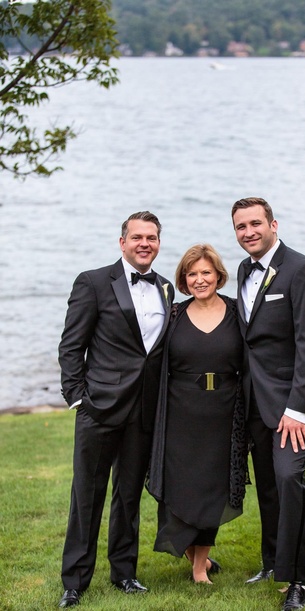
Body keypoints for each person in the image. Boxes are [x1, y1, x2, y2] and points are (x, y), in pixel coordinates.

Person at [57, 211, 174, 608]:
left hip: (144, 411)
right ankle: (75, 580)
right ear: (122, 242)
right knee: (86, 495)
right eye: (138, 237)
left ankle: (124, 572)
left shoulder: (166, 288)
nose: (145, 243)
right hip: (99, 409)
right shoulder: (92, 282)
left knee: (128, 497)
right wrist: (77, 396)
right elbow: (72, 345)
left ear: (159, 243)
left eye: (152, 237)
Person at [231, 197, 305, 610]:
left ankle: (298, 583)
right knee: (269, 486)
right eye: (240, 227)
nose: (248, 232)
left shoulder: (301, 269)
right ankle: (271, 561)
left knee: (290, 480)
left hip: (293, 403)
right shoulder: (242, 269)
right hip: (254, 400)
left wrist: (297, 409)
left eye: (255, 223)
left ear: (274, 224)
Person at [147, 244, 247, 584]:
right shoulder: (173, 314)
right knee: (181, 487)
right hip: (180, 413)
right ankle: (193, 551)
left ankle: (198, 564)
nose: (200, 279)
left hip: (223, 413)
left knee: (212, 488)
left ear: (218, 276)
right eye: (192, 274)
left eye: (206, 272)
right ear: (184, 280)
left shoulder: (238, 312)